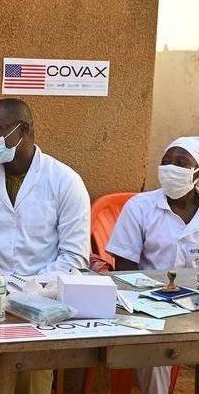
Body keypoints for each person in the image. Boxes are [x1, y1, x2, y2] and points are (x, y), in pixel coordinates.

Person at [0, 98, 91, 394]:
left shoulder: (65, 181)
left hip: (43, 297)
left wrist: (28, 290)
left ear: (25, 130)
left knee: (30, 371)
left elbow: (74, 257)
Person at [107, 136, 199, 394]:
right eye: (166, 161)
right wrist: (148, 300)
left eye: (181, 164)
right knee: (157, 351)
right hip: (150, 302)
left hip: (195, 303)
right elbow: (124, 269)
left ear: (197, 173)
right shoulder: (140, 206)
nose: (171, 168)